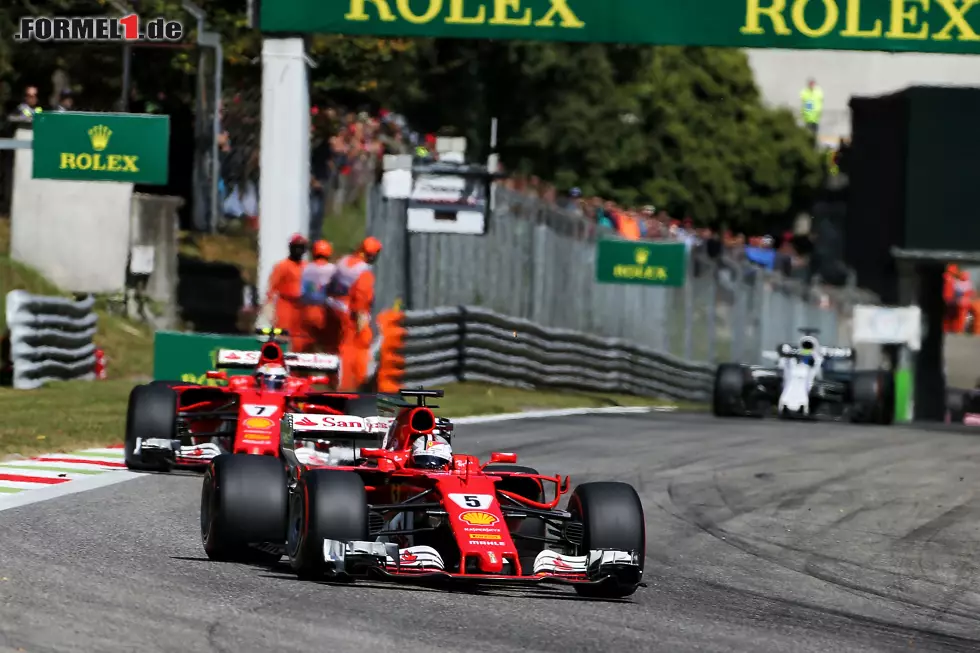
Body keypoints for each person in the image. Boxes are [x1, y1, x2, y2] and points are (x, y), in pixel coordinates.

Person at [329, 236, 383, 391]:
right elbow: (361, 305)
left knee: (336, 348)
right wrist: (362, 329)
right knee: (356, 350)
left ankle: (334, 381)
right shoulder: (364, 273)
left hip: (332, 311)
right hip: (350, 317)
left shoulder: (343, 262)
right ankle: (353, 386)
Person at [265, 234, 308, 349]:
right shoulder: (282, 266)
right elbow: (271, 288)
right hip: (285, 305)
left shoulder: (307, 267)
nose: (298, 250)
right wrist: (269, 307)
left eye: (301, 247)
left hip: (301, 307)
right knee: (282, 336)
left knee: (300, 338)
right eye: (296, 247)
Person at [299, 240, 339, 353]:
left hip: (307, 310)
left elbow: (301, 291)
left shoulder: (306, 268)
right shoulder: (332, 269)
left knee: (308, 344)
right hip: (325, 311)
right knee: (327, 344)